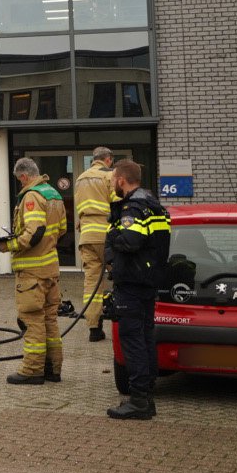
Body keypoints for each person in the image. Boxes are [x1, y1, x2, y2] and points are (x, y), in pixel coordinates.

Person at [0, 158, 68, 386]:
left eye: (19, 180)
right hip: (50, 269)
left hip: (32, 272)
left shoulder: (32, 196)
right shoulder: (53, 194)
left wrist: (5, 245)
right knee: (50, 320)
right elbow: (61, 229)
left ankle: (32, 370)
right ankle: (53, 368)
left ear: (24, 176)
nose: (20, 183)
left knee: (32, 321)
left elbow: (34, 232)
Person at [105, 159, 172, 420]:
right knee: (145, 338)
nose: (112, 183)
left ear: (122, 180)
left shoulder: (133, 207)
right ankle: (146, 396)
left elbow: (130, 241)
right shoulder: (154, 205)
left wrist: (111, 235)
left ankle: (139, 401)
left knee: (133, 340)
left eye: (113, 179)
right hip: (147, 281)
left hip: (132, 283)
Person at [73, 147, 116, 342]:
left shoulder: (80, 178)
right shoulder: (110, 175)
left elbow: (80, 208)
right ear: (108, 160)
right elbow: (118, 204)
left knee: (91, 284)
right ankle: (122, 323)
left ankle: (94, 328)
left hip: (87, 236)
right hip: (107, 236)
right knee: (121, 278)